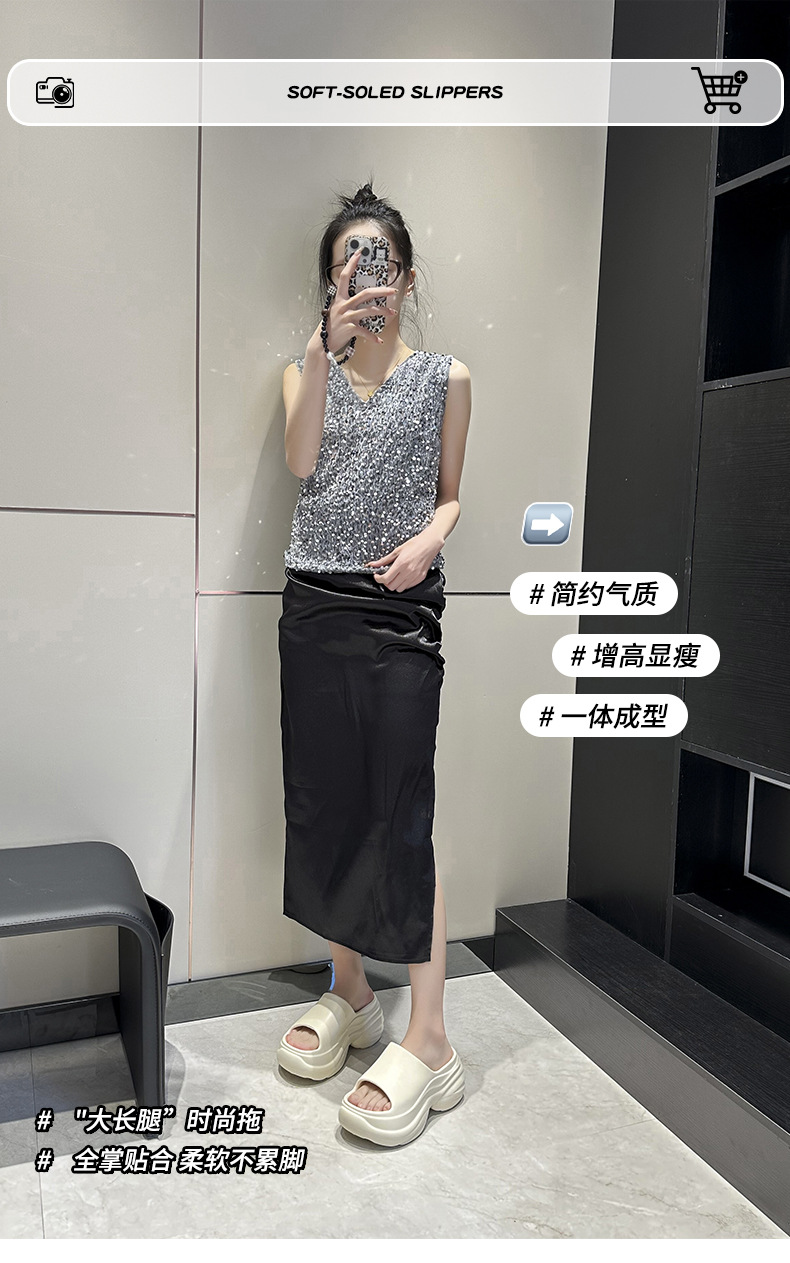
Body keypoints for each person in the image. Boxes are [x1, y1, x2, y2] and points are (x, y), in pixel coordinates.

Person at [276, 182, 472, 1147]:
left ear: (407, 276)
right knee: (324, 803)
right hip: (313, 607)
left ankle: (429, 1036)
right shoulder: (303, 368)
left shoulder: (446, 376)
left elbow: (451, 494)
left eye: (380, 262)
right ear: (331, 281)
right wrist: (326, 345)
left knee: (401, 810)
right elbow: (301, 460)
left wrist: (432, 538)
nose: (366, 278)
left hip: (399, 614)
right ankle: (351, 990)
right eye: (348, 264)